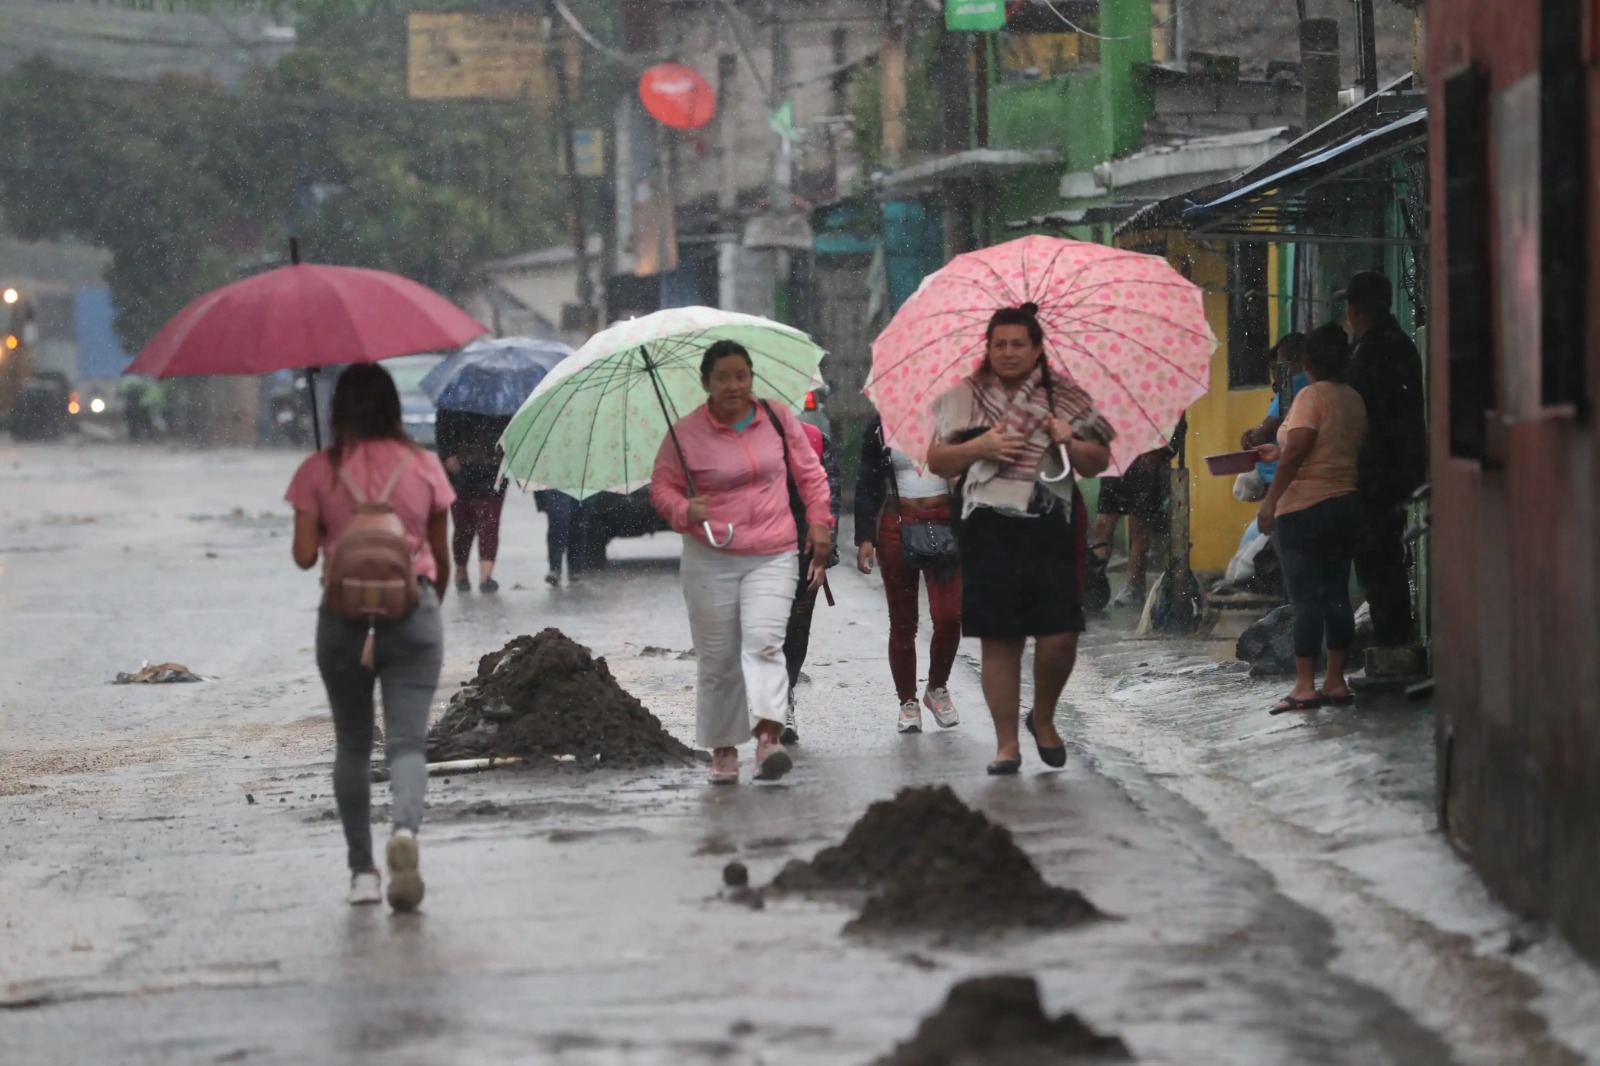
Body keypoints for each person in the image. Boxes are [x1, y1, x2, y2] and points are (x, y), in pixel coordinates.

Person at [285, 363, 454, 910]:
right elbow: (442, 557)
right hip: (413, 609)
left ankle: (362, 874)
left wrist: (332, 505)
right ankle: (404, 832)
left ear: (338, 410)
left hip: (342, 619)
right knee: (406, 743)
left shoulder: (318, 468)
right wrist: (424, 607)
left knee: (353, 745)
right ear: (392, 408)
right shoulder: (423, 465)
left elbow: (305, 556)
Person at [927, 305, 1114, 775]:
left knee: (1059, 635)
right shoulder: (963, 397)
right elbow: (938, 460)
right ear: (987, 350)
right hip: (987, 528)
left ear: (1036, 350)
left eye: (1018, 344)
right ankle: (1006, 745)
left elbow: (1095, 463)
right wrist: (981, 448)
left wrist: (1068, 438)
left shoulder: (1067, 397)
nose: (1008, 352)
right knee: (1000, 639)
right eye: (999, 344)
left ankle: (1044, 718)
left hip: (1050, 524)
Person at [650, 340, 832, 785]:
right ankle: (725, 749)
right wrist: (681, 510)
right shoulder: (685, 433)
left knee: (766, 641)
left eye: (741, 375)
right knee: (718, 659)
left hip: (772, 551)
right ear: (706, 383)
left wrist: (820, 523)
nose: (734, 385)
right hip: (709, 556)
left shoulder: (775, 417)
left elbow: (810, 472)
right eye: (723, 378)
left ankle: (768, 737)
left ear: (752, 377)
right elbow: (661, 488)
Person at [1254, 323, 1368, 713]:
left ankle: (1304, 686)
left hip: (1304, 510)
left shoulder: (1309, 395)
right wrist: (1276, 451)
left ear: (1308, 361)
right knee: (1336, 595)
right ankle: (1335, 680)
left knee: (1306, 600)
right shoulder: (1352, 398)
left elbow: (1300, 447)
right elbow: (1320, 446)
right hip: (1345, 504)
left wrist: (1270, 500)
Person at [854, 415, 962, 734]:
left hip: (946, 522)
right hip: (896, 525)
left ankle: (936, 688)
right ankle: (907, 702)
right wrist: (865, 538)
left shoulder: (959, 419)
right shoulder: (880, 424)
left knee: (949, 615)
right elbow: (868, 483)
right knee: (903, 620)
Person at [1342, 271, 1427, 651]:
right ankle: (1392, 640)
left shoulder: (1373, 350)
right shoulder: (1397, 344)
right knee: (1384, 558)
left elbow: (1362, 412)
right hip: (1395, 469)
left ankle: (1392, 643)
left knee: (1378, 561)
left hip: (1378, 473)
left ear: (1357, 309)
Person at [779, 420, 842, 744]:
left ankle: (783, 696)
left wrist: (824, 552)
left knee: (796, 628)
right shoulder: (731, 442)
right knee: (764, 631)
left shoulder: (815, 440)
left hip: (804, 547)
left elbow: (828, 493)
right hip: (755, 551)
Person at [435, 407, 510, 594]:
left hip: (492, 469)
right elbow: (442, 430)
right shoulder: (454, 402)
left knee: (490, 524)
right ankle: (461, 569)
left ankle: (486, 576)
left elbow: (512, 432)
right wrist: (447, 455)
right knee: (463, 525)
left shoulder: (504, 400)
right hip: (461, 471)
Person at [1089, 446, 1173, 609]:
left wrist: (1158, 455)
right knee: (1103, 524)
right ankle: (1094, 582)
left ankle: (1134, 587)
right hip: (1117, 461)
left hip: (1145, 462)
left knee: (1139, 528)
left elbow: (1174, 434)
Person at [534, 489, 583, 586]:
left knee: (578, 523)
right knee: (558, 516)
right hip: (556, 481)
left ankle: (575, 567)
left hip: (582, 481)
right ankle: (555, 567)